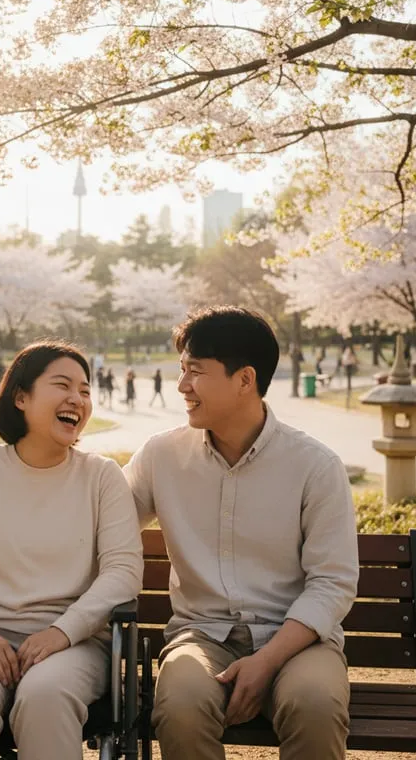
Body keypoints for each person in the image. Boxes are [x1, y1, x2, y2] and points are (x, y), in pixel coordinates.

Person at [124, 306, 359, 760]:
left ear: (245, 379)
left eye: (195, 372)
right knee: (179, 706)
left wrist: (266, 661)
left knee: (315, 705)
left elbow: (332, 583)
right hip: (200, 637)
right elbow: (99, 521)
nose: (181, 386)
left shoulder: (315, 466)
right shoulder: (162, 456)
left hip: (296, 641)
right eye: (181, 371)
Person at [0, 340, 143, 760]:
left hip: (75, 643)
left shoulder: (102, 477)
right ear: (21, 397)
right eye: (62, 385)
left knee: (46, 697)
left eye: (85, 389)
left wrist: (63, 631)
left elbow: (123, 572)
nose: (77, 399)